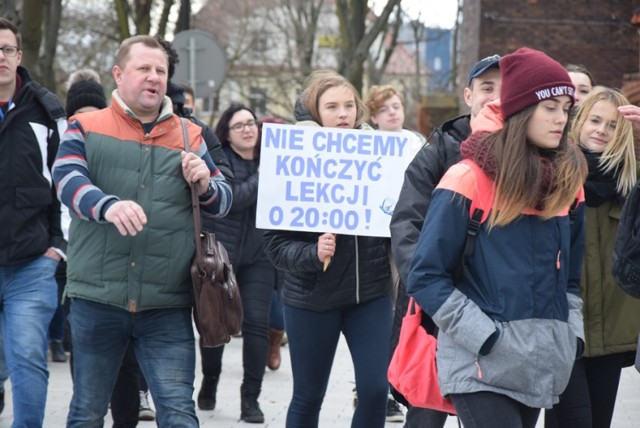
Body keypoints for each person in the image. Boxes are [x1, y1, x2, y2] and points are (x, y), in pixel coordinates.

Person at [52, 35, 232, 427]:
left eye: (160, 71)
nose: (153, 78)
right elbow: (65, 179)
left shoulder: (191, 135)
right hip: (97, 298)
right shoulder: (85, 126)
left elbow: (223, 200)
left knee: (179, 414)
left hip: (166, 304)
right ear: (119, 75)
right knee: (87, 412)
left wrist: (205, 183)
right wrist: (107, 205)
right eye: (143, 69)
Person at [408, 47, 588, 428]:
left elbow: (571, 279)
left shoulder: (568, 186)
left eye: (566, 109)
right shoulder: (467, 178)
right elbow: (425, 276)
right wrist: (486, 338)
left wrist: (570, 336)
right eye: (550, 107)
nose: (561, 119)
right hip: (479, 364)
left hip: (539, 363)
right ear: (522, 109)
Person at [263, 69, 393, 428]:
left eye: (349, 105)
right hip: (310, 298)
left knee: (375, 390)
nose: (343, 114)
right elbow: (274, 244)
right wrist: (312, 253)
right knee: (308, 396)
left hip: (370, 294)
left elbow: (400, 218)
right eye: (332, 106)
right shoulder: (291, 157)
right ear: (314, 112)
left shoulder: (382, 156)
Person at [388, 53, 501, 428]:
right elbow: (407, 223)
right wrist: (428, 290)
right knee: (426, 414)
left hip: (501, 315)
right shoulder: (438, 150)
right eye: (487, 87)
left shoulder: (529, 156)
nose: (496, 95)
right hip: (440, 310)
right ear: (468, 95)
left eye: (505, 88)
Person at [545, 87, 640, 428]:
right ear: (579, 123)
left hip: (614, 329)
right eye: (595, 120)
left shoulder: (633, 181)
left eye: (613, 125)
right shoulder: (552, 172)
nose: (601, 130)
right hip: (561, 326)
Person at [0, 17, 67, 427]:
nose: (0, 58)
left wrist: (58, 247)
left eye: (6, 49)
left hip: (31, 263)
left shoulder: (46, 110)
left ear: (19, 56)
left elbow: (69, 181)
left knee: (27, 357)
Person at [196, 103, 274, 424]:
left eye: (252, 123)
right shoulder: (219, 162)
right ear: (226, 135)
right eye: (239, 125)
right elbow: (236, 199)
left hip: (260, 257)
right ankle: (211, 378)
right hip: (220, 255)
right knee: (216, 325)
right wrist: (263, 177)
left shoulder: (272, 161)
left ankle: (250, 398)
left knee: (257, 324)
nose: (248, 129)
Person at [364, 84, 427, 424]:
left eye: (397, 105)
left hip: (404, 237)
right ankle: (374, 386)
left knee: (401, 311)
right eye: (385, 108)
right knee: (380, 314)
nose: (393, 112)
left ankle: (392, 384)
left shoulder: (417, 143)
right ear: (373, 117)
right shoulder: (363, 145)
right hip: (372, 239)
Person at [258, 114, 288, 373]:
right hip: (256, 249)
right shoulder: (253, 165)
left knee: (279, 308)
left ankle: (275, 340)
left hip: (286, 245)